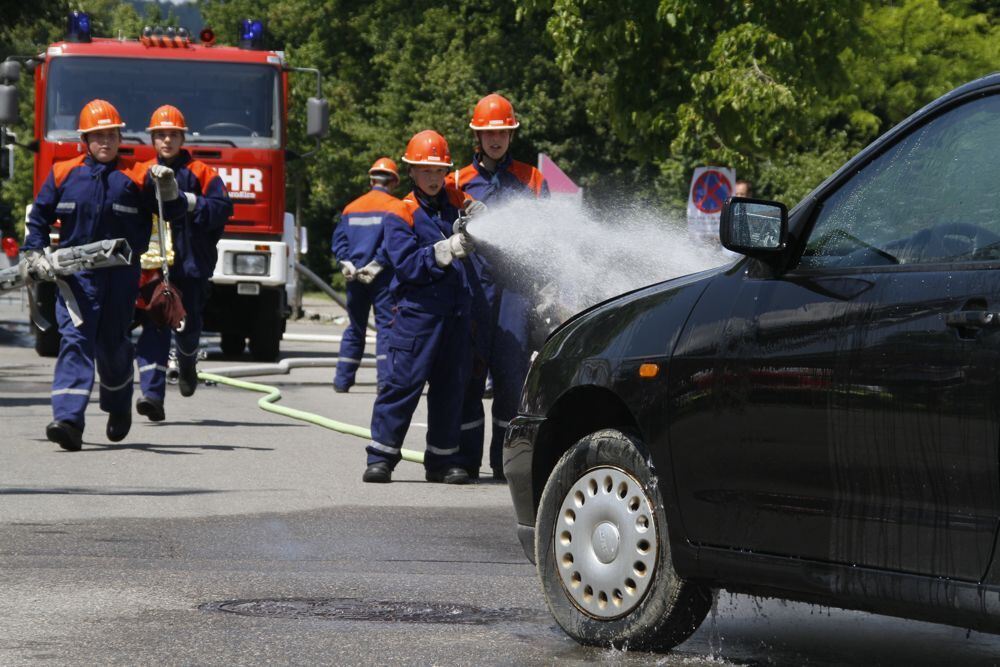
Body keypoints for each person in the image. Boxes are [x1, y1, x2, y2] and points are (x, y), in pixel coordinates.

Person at [20, 99, 186, 450]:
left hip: (121, 279)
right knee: (75, 343)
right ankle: (68, 421)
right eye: (98, 136)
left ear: (120, 137)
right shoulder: (63, 173)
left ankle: (117, 404)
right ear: (85, 140)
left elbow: (172, 212)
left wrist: (168, 188)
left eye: (111, 135)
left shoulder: (139, 174)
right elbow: (38, 217)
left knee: (112, 346)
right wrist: (34, 252)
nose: (106, 142)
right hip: (75, 279)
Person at [363, 130, 476, 485]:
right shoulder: (401, 212)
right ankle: (381, 457)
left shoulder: (456, 203)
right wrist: (447, 250)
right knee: (402, 384)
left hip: (455, 315)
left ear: (446, 172)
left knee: (450, 388)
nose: (432, 178)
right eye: (424, 171)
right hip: (417, 315)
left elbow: (474, 210)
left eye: (438, 171)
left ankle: (442, 461)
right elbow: (408, 265)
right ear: (411, 172)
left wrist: (480, 215)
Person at [454, 93, 549, 481]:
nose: (496, 139)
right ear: (477, 135)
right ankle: (462, 460)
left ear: (512, 136)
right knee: (469, 375)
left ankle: (502, 464)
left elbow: (547, 230)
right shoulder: (457, 180)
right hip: (474, 289)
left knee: (511, 377)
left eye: (502, 133)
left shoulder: (532, 178)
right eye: (488, 133)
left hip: (516, 290)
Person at [133, 105, 233, 420]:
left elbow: (222, 208)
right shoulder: (140, 171)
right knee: (155, 322)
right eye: (160, 135)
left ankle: (187, 362)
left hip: (190, 265)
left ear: (182, 137)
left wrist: (187, 200)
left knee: (186, 325)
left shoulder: (202, 172)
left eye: (172, 135)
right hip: (152, 265)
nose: (166, 141)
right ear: (152, 138)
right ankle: (152, 394)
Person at [330, 158, 399, 393]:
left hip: (354, 277)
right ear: (393, 181)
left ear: (371, 180)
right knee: (385, 329)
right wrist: (377, 264)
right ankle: (385, 383)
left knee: (355, 327)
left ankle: (342, 381)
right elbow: (394, 242)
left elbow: (339, 241)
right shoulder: (394, 206)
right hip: (382, 279)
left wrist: (346, 263)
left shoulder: (352, 207)